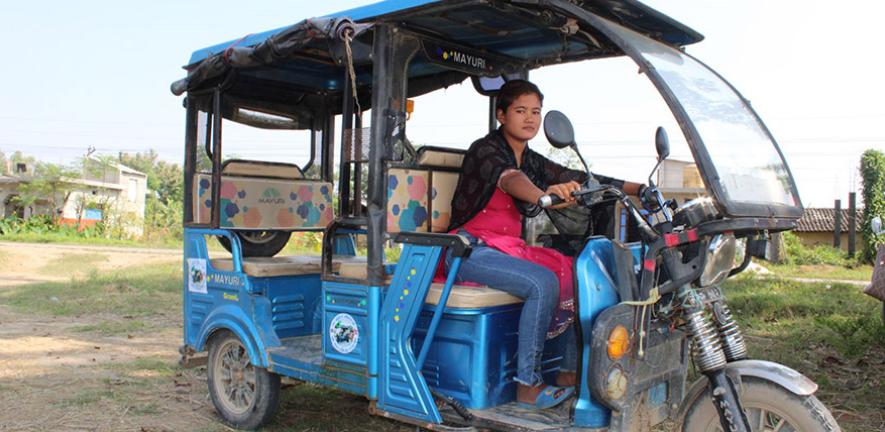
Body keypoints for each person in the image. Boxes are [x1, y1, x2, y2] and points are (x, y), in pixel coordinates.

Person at [444, 80, 643, 409]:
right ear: (501, 115)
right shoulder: (485, 149)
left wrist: (638, 187)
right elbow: (509, 179)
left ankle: (566, 372)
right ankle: (527, 384)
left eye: (535, 112)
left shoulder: (531, 159)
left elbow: (575, 175)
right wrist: (542, 196)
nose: (530, 119)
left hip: (507, 248)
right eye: (520, 111)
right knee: (542, 282)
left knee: (575, 272)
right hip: (468, 249)